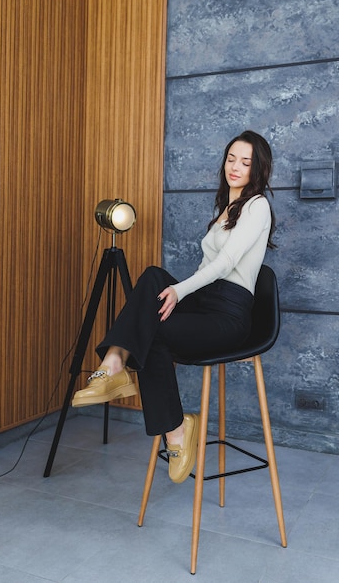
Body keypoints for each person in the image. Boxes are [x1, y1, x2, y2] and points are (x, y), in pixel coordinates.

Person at [72, 130, 276, 484]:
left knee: (152, 331)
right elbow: (206, 270)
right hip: (207, 302)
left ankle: (165, 420)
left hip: (230, 315)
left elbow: (226, 263)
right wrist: (180, 292)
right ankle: (120, 368)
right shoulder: (226, 207)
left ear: (258, 169)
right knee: (152, 276)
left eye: (245, 162)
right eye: (231, 159)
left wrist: (180, 292)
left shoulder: (258, 206)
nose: (235, 167)